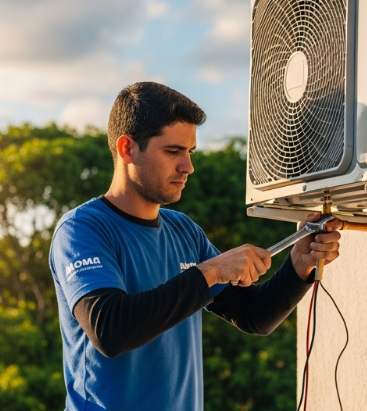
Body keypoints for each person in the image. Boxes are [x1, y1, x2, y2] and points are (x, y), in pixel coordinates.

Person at [48, 82, 341, 411]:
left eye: (190, 152)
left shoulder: (184, 231)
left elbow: (253, 315)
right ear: (127, 149)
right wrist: (211, 271)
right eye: (173, 152)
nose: (188, 167)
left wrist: (298, 265)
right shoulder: (82, 229)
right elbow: (109, 329)